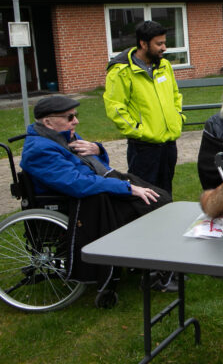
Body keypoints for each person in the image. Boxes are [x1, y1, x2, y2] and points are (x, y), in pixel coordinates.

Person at [19, 96, 173, 291]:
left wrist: (97, 149)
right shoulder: (40, 150)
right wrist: (127, 188)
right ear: (48, 122)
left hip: (98, 185)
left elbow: (101, 166)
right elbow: (76, 183)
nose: (76, 121)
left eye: (76, 115)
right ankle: (152, 271)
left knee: (162, 198)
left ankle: (146, 263)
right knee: (150, 205)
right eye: (69, 117)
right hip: (80, 200)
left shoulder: (65, 136)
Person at [104, 20, 183, 196]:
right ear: (143, 43)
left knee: (165, 191)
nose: (164, 48)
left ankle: (166, 222)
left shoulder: (165, 65)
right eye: (159, 44)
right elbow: (115, 107)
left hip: (169, 144)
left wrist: (178, 117)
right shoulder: (121, 71)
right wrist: (138, 130)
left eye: (164, 43)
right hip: (143, 147)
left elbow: (175, 95)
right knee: (144, 196)